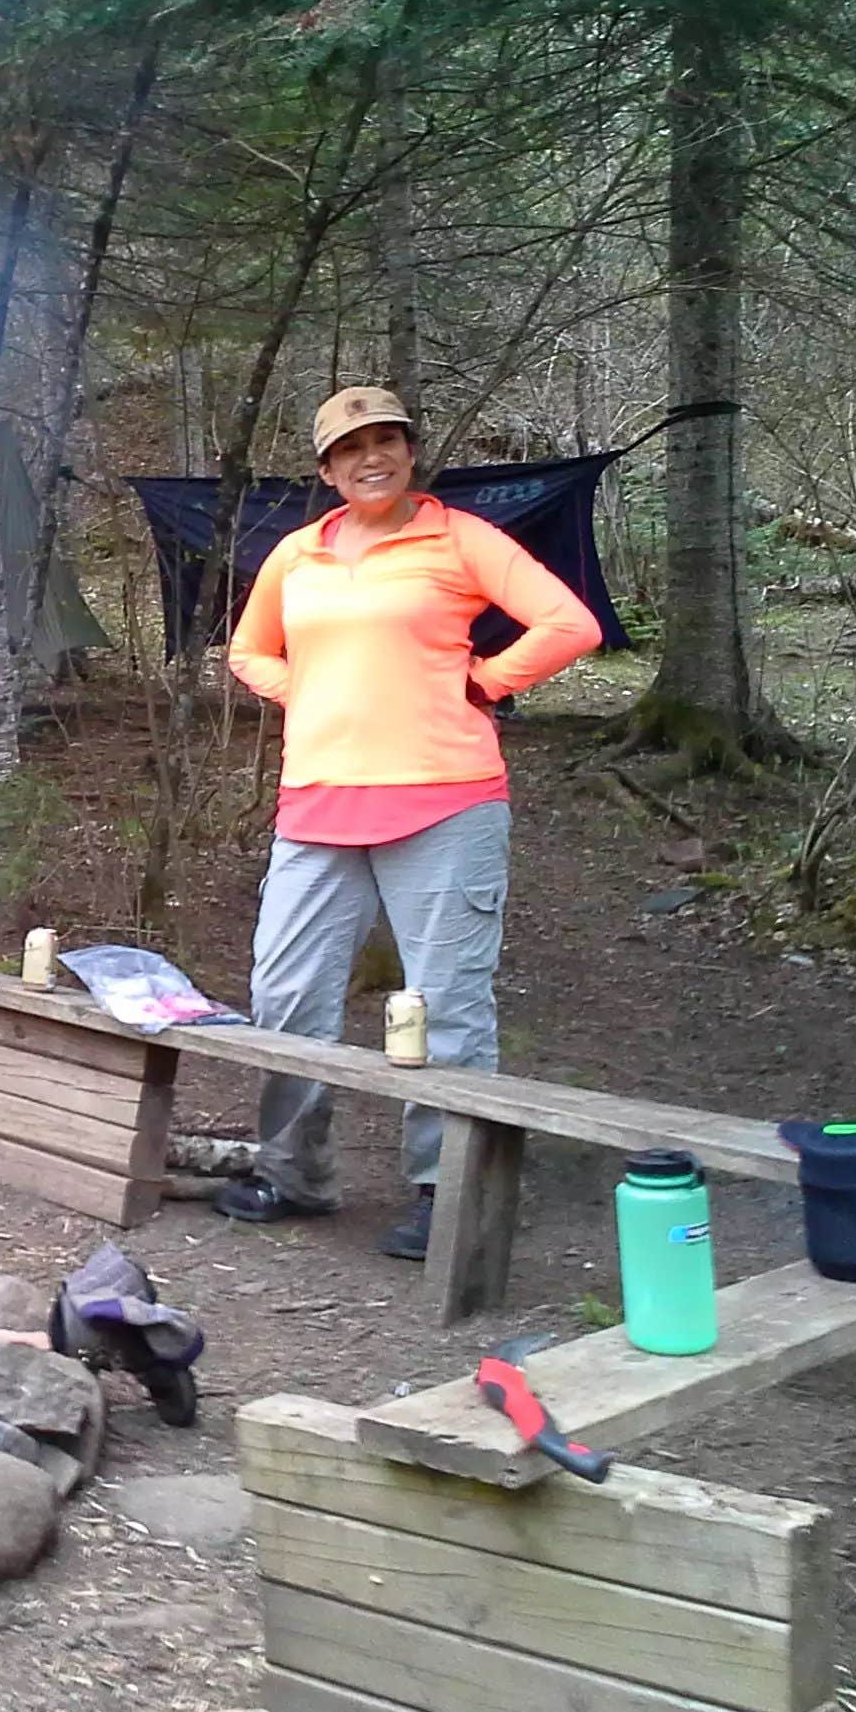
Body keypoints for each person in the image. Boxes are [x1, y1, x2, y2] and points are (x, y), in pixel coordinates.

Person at [219, 386, 602, 1259]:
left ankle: (446, 1188)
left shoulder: (459, 538)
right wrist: (301, 691)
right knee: (285, 991)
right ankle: (294, 1172)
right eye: (351, 448)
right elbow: (249, 650)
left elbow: (567, 622)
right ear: (326, 468)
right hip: (318, 805)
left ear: (410, 451)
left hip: (446, 802)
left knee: (443, 1003)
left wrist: (488, 682)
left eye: (386, 440)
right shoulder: (297, 555)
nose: (371, 458)